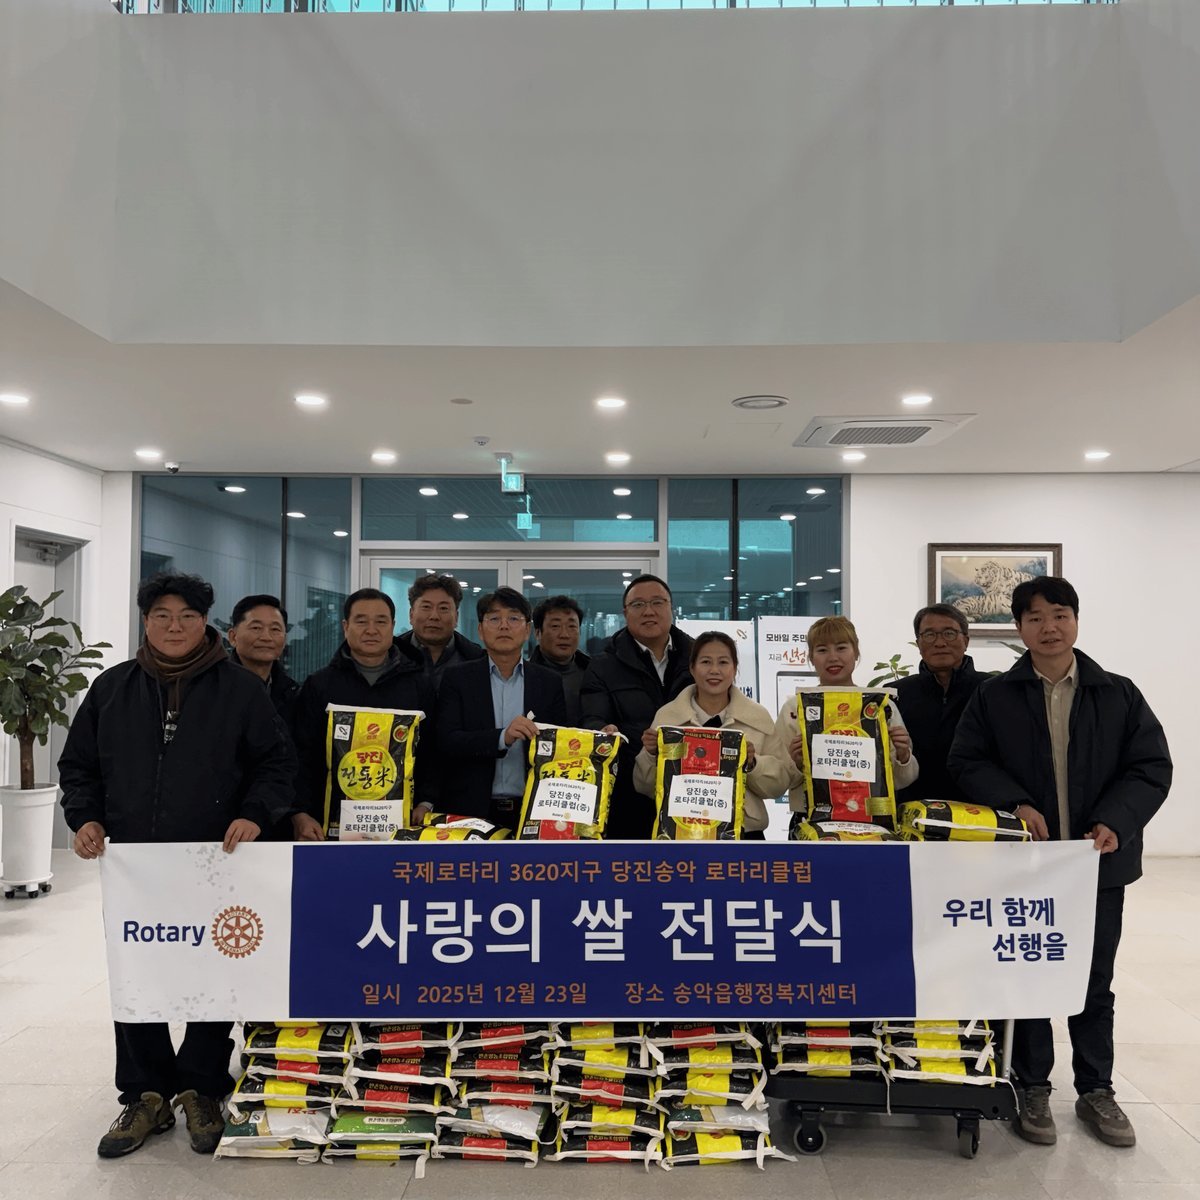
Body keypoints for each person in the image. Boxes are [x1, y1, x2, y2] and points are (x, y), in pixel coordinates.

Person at [57, 572, 297, 1159]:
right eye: (161, 615)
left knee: (214, 973)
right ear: (145, 621)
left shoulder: (240, 690)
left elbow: (276, 765)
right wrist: (85, 817)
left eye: (187, 616)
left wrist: (254, 814)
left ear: (206, 623)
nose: (174, 626)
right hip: (136, 868)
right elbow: (78, 766)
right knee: (138, 972)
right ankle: (144, 1094)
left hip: (218, 863)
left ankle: (201, 1088)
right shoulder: (112, 688)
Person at [948, 576, 1171, 1149]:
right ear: (1019, 627)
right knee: (1030, 974)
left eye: (1060, 615)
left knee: (1094, 980)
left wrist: (1117, 820)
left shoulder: (1117, 694)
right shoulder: (995, 696)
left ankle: (1096, 1089)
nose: (1049, 627)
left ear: (1075, 620)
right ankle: (1032, 1086)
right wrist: (1015, 804)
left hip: (1097, 865)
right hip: (1026, 867)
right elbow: (966, 760)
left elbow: (1150, 767)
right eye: (1036, 618)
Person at [291, 587, 435, 835]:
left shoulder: (418, 685)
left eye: (381, 621)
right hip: (328, 825)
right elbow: (301, 755)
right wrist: (300, 813)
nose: (371, 630)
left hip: (404, 823)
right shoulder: (320, 685)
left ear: (392, 626)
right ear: (346, 627)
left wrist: (426, 801)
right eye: (361, 621)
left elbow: (433, 750)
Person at [633, 631, 791, 839]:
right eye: (706, 662)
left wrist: (753, 764)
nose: (714, 670)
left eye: (723, 662)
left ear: (734, 669)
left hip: (744, 836)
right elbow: (644, 786)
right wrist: (651, 754)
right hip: (680, 833)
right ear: (692, 668)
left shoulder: (756, 717)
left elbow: (779, 785)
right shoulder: (669, 717)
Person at [435, 587, 567, 831]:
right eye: (494, 618)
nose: (504, 626)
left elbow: (560, 745)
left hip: (533, 810)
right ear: (480, 630)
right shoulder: (457, 678)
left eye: (514, 618)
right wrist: (501, 738)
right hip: (470, 809)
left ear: (527, 630)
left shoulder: (549, 682)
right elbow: (447, 741)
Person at [579, 574, 695, 839]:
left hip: (691, 792)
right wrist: (601, 731)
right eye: (638, 604)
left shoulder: (697, 658)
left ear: (671, 608)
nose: (649, 611)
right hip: (628, 796)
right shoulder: (602, 665)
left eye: (657, 602)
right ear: (625, 613)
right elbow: (592, 718)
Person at [774, 615, 918, 816]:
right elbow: (778, 780)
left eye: (841, 648)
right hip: (810, 818)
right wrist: (796, 763)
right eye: (822, 650)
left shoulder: (879, 705)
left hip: (871, 816)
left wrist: (903, 755)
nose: (833, 657)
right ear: (811, 657)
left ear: (856, 652)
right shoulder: (795, 707)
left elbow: (902, 779)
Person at [894, 603, 983, 803]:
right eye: (929, 635)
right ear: (918, 644)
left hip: (978, 807)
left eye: (949, 633)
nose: (940, 643)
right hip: (912, 807)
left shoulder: (989, 690)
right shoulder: (897, 693)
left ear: (966, 640)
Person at [395, 574, 484, 691]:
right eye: (426, 607)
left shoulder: (476, 659)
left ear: (456, 617)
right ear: (411, 615)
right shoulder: (390, 656)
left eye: (443, 608)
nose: (434, 616)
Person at [226, 593, 298, 718]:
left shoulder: (293, 693)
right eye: (256, 628)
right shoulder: (214, 688)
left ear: (284, 640)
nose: (266, 637)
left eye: (275, 629)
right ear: (233, 637)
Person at [529, 594, 590, 725]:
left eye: (572, 626)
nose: (564, 635)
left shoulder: (593, 673)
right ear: (538, 633)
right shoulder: (525, 676)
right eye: (555, 626)